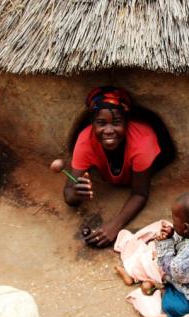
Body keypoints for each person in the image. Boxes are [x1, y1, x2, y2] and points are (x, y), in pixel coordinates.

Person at [64, 86, 161, 247]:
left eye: (116, 122)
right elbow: (68, 194)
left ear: (127, 122)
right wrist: (75, 193)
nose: (108, 131)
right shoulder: (85, 140)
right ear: (92, 124)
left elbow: (140, 193)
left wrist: (115, 225)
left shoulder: (143, 141)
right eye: (101, 123)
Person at [116, 192, 189, 317]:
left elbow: (174, 271)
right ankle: (143, 280)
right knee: (154, 259)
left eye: (174, 220)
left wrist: (165, 243)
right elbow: (181, 242)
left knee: (171, 306)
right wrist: (171, 235)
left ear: (186, 227)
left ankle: (158, 289)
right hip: (186, 276)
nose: (172, 222)